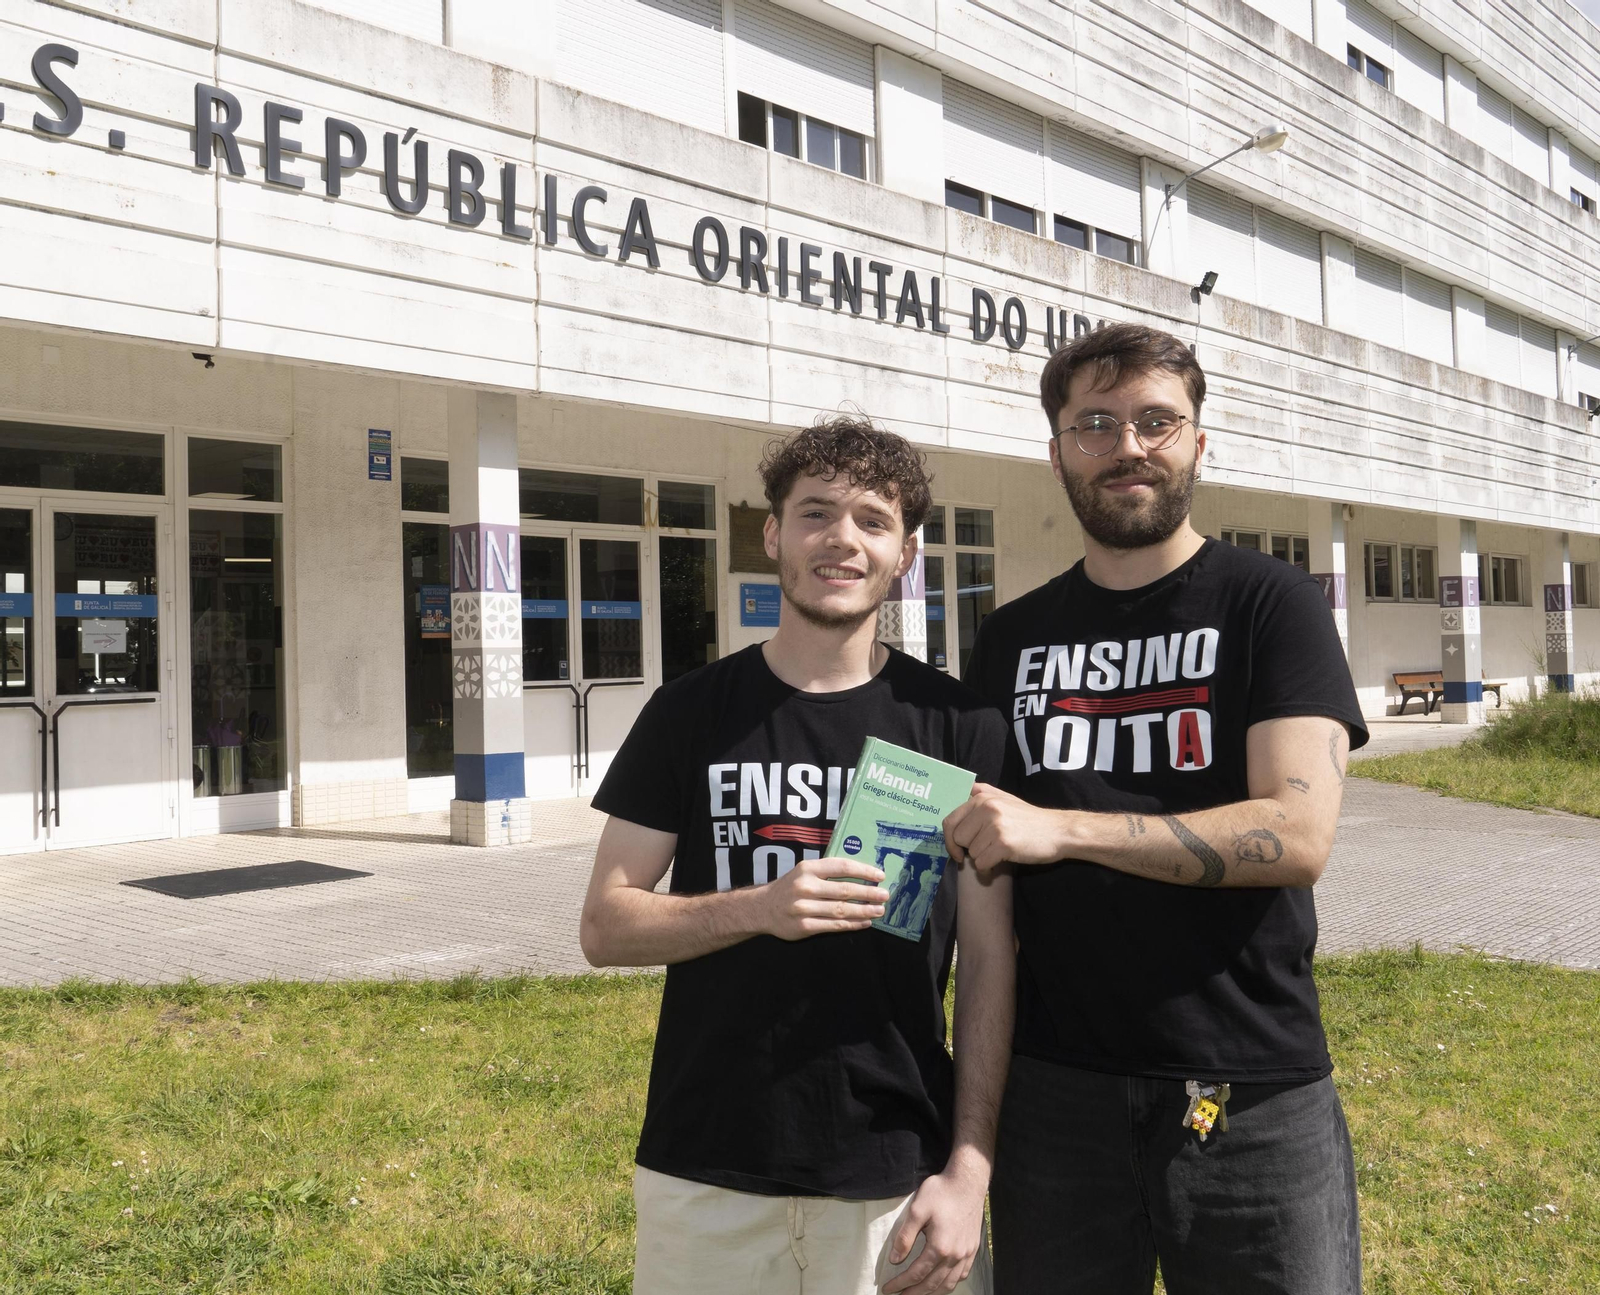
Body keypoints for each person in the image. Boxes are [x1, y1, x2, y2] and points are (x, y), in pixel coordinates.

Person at [947, 323, 1369, 1295]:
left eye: (1154, 420)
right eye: (1093, 423)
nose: (1126, 444)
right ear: (1055, 451)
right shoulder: (1009, 639)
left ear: (1196, 443)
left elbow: (1297, 833)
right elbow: (976, 877)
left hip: (1252, 1088)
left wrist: (1063, 827)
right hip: (1054, 1094)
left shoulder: (1271, 604)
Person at [580, 415, 1013, 1295]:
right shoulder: (692, 710)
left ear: (905, 553)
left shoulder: (959, 726)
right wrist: (760, 908)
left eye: (871, 519)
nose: (841, 539)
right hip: (707, 1166)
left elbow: (993, 965)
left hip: (897, 1169)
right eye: (815, 513)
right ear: (773, 533)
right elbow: (605, 923)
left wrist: (969, 1171)